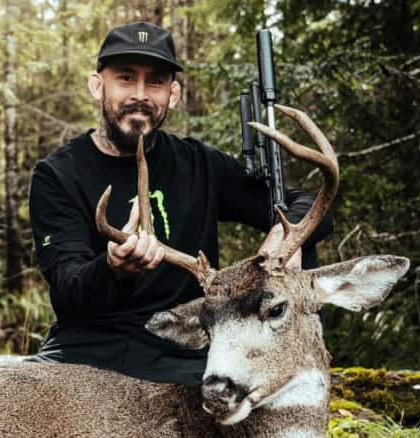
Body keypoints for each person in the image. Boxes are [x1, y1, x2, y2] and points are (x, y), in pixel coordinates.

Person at [26, 22, 332, 385]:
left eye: (154, 81)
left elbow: (309, 206)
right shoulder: (58, 174)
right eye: (125, 78)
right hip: (88, 350)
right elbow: (67, 288)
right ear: (97, 85)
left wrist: (283, 233)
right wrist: (113, 268)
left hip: (183, 350)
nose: (140, 94)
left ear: (172, 94)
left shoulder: (201, 165)